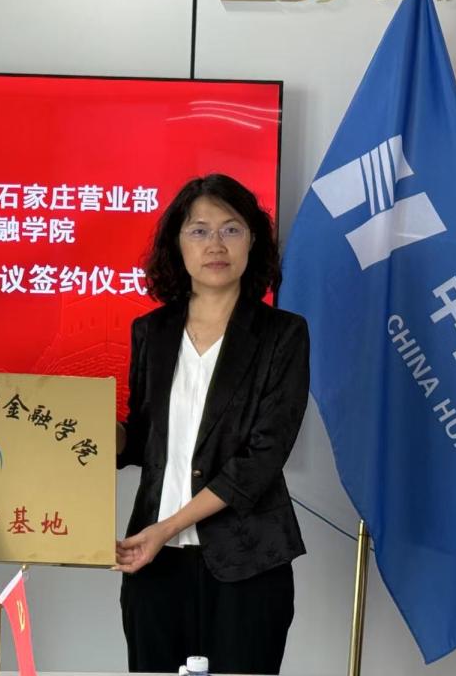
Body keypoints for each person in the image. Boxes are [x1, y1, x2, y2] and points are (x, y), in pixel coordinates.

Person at [115, 173, 309, 675]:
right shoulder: (152, 332)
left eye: (231, 229)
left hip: (248, 560)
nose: (215, 244)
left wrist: (168, 528)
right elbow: (143, 438)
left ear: (252, 241)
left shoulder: (283, 334)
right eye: (199, 231)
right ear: (177, 244)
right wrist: (92, 432)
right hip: (155, 563)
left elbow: (262, 458)